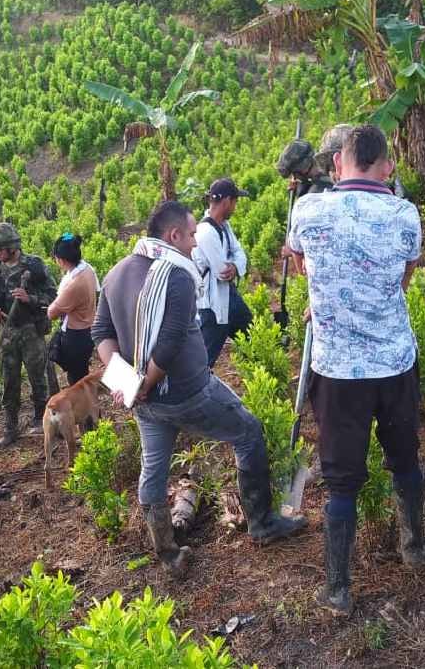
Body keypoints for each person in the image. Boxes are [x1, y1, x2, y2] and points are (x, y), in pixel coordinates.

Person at [92, 201, 305, 577]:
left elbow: (102, 334)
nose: (194, 243)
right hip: (187, 392)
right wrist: (143, 383)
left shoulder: (115, 273)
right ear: (173, 236)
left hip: (145, 403)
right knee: (248, 432)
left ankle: (168, 553)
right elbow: (171, 342)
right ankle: (262, 524)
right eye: (191, 234)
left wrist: (127, 381)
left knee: (153, 470)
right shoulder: (174, 275)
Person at [287, 124, 425, 617]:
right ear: (386, 167)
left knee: (342, 481)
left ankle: (339, 588)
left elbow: (305, 270)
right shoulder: (405, 214)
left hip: (338, 370)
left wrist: (327, 297)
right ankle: (414, 547)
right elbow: (403, 279)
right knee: (405, 459)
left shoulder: (308, 210)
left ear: (339, 166)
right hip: (393, 362)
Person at [0, 222, 57, 450]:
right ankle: (10, 428)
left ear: (13, 247)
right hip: (6, 333)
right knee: (9, 382)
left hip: (30, 330)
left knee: (38, 380)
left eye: (1, 249)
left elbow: (52, 296)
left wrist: (29, 298)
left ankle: (42, 423)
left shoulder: (34, 266)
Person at [192, 178, 253, 368]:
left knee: (253, 337)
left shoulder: (225, 227)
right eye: (235, 201)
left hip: (229, 296)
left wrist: (235, 267)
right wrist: (234, 266)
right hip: (211, 304)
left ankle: (263, 380)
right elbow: (221, 272)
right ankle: (196, 393)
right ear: (227, 201)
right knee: (204, 360)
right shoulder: (205, 232)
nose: (235, 207)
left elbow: (240, 254)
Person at [46, 232, 99, 385]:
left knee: (76, 379)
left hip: (75, 336)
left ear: (61, 260)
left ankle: (83, 406)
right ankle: (87, 403)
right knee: (81, 373)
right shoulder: (87, 269)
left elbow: (52, 313)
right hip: (87, 328)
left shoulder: (74, 284)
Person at [277, 124, 353, 197]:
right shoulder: (330, 165)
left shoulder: (316, 192)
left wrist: (301, 192)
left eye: (294, 175)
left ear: (300, 173)